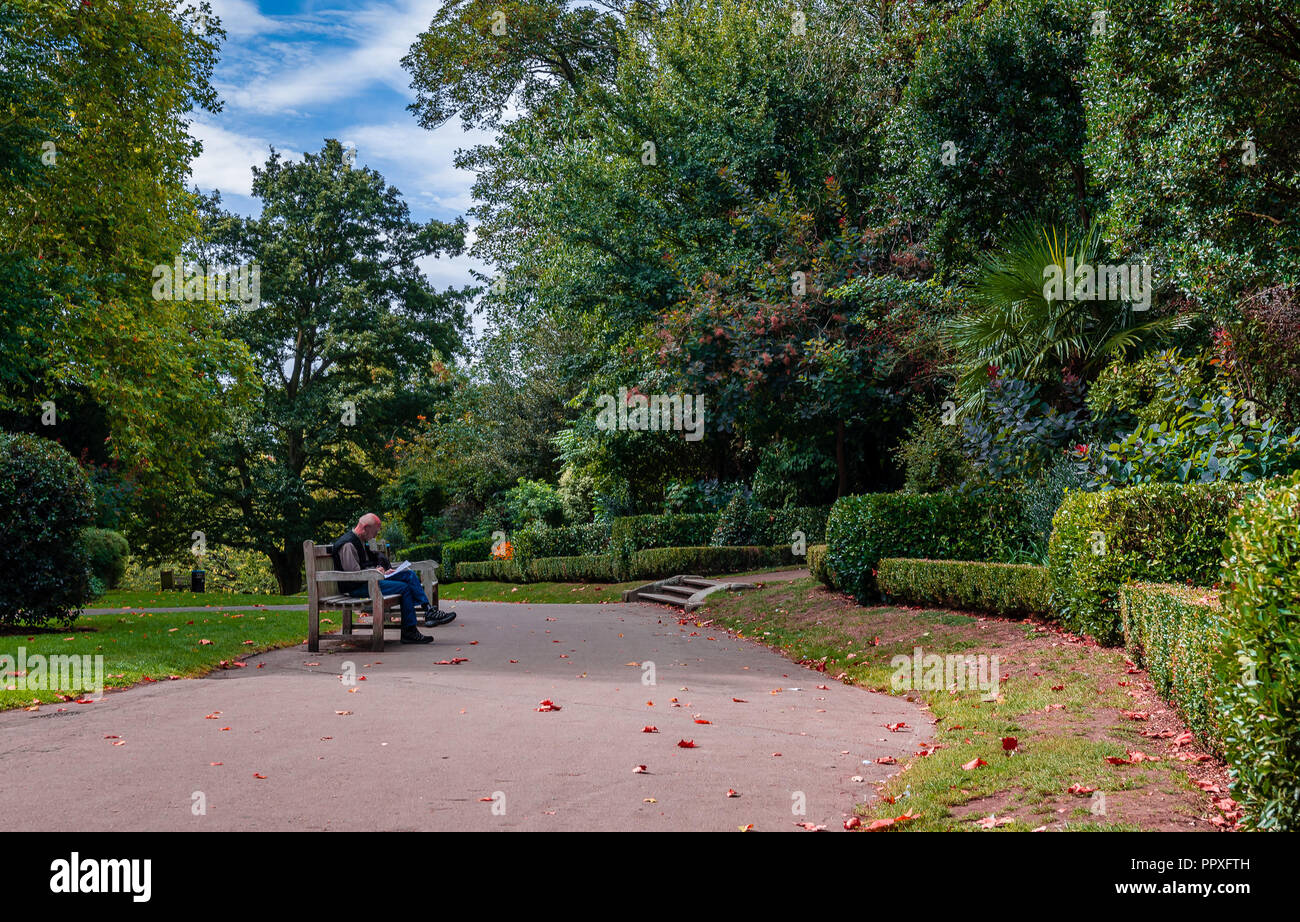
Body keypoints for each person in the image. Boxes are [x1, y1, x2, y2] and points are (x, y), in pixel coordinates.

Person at [330, 514, 455, 645]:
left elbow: (364, 565)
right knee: (404, 588)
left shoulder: (359, 540)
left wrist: (382, 570)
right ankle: (409, 632)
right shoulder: (348, 544)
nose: (375, 536)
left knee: (409, 575)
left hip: (370, 580)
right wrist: (376, 572)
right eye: (375, 532)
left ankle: (429, 610)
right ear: (365, 528)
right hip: (357, 587)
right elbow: (353, 575)